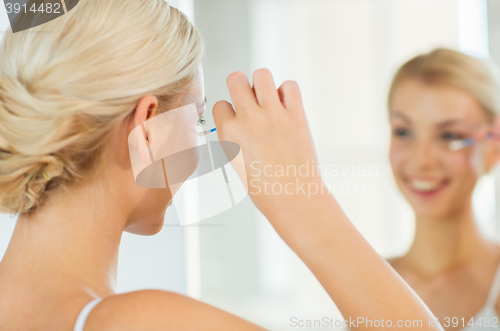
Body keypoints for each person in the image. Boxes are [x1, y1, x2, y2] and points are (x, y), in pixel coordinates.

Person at [0, 0, 445, 330]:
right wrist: (304, 202)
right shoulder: (142, 322)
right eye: (196, 117)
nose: (202, 141)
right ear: (148, 123)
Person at [387, 48, 500, 330]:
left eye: (450, 135)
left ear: (493, 146)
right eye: (403, 131)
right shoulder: (364, 276)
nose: (421, 160)